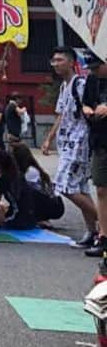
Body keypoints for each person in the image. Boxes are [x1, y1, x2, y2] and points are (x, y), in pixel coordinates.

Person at [41, 48, 99, 248]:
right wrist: (49, 138)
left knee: (65, 186)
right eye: (53, 60)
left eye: (60, 60)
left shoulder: (80, 84)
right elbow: (61, 114)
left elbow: (90, 109)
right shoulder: (64, 87)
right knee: (81, 188)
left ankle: (103, 225)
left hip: (79, 142)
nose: (56, 64)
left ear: (71, 62)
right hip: (66, 142)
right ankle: (93, 231)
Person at [0, 149, 64, 228]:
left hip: (22, 219)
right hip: (31, 214)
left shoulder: (3, 181)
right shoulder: (19, 174)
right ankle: (38, 221)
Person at [81, 56, 107, 258]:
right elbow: (85, 103)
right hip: (99, 139)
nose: (94, 71)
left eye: (97, 67)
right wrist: (88, 109)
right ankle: (103, 237)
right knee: (101, 188)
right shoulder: (92, 80)